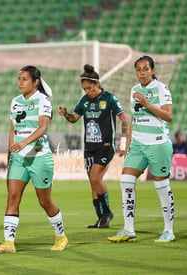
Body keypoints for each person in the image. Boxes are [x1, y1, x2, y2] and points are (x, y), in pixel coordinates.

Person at [0, 65, 68, 254]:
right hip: (18, 159)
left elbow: (43, 128)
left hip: (39, 158)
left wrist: (24, 142)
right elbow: (12, 130)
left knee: (45, 202)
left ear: (35, 82)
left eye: (25, 79)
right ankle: (9, 243)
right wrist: (10, 155)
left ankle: (61, 236)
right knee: (12, 198)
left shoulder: (43, 100)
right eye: (19, 79)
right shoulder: (15, 102)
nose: (20, 83)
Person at [107, 55, 175, 243]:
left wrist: (147, 103)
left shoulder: (161, 89)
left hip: (157, 143)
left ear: (152, 71)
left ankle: (169, 231)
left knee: (162, 186)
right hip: (138, 143)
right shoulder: (134, 90)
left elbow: (168, 116)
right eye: (138, 69)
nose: (142, 72)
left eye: (145, 69)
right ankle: (129, 229)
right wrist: (127, 145)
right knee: (126, 181)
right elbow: (134, 120)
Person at [58, 64, 128, 229]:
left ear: (97, 84)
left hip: (105, 146)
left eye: (89, 88)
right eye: (84, 89)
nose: (87, 91)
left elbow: (124, 119)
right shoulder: (84, 100)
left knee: (96, 178)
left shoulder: (110, 99)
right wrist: (66, 114)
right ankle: (101, 218)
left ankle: (108, 213)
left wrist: (123, 142)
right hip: (89, 147)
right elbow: (74, 118)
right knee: (93, 182)